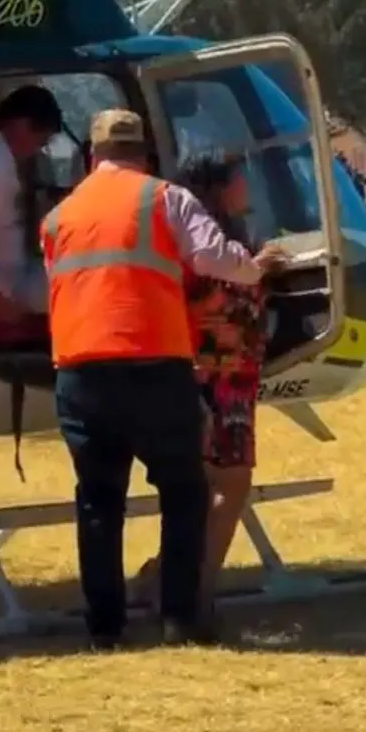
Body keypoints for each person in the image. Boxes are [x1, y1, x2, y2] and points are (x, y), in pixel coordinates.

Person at [40, 107, 288, 651]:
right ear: (145, 154)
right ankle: (179, 617)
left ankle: (105, 629)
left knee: (98, 500)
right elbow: (213, 256)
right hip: (153, 365)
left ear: (92, 156)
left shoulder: (58, 217)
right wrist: (255, 267)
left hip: (79, 371)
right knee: (183, 491)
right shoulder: (165, 198)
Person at [134, 152, 281, 615]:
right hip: (215, 377)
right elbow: (219, 296)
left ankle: (166, 577)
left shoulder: (209, 238)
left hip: (222, 374)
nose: (246, 187)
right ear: (217, 187)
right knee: (228, 485)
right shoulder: (205, 245)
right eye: (238, 179)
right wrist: (259, 268)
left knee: (207, 488)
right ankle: (194, 593)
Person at [0, 84, 63, 312]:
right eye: (39, 142)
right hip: (6, 284)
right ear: (21, 124)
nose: (36, 150)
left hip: (12, 273)